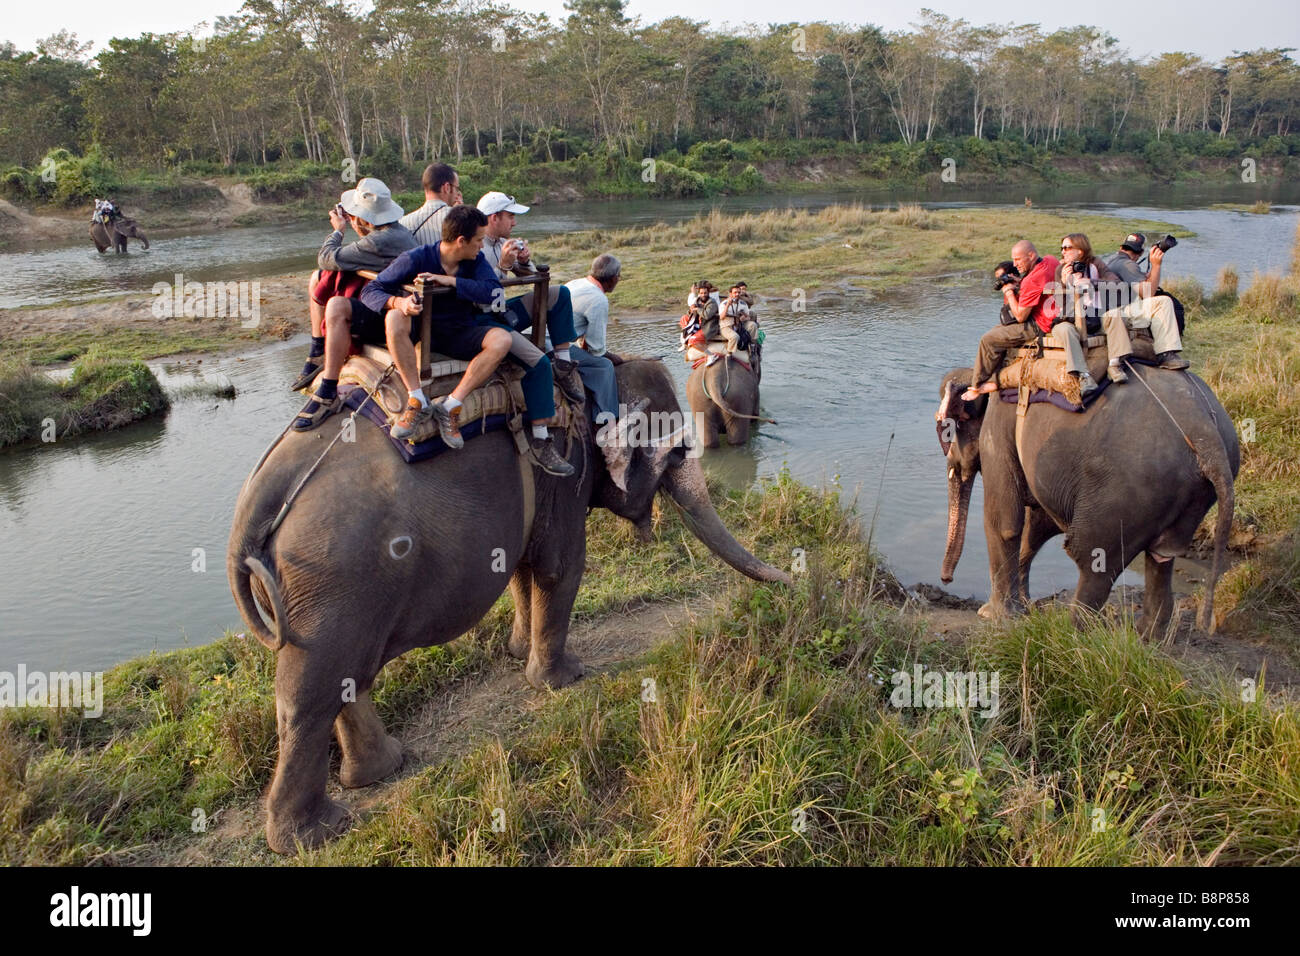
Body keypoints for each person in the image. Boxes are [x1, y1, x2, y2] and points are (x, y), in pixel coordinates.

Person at [359, 205, 574, 476]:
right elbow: (372, 289)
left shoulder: (474, 261)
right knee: (393, 318)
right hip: (425, 334)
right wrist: (398, 302)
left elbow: (493, 291)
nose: (481, 245)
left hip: (462, 330)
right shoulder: (415, 258)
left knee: (500, 341)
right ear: (461, 241)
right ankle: (416, 399)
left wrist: (448, 281)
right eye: (478, 241)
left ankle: (451, 405)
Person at [293, 178, 418, 395]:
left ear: (365, 220)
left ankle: (327, 383)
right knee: (319, 278)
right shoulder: (399, 232)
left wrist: (339, 230)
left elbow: (326, 258)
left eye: (355, 216)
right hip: (397, 307)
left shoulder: (377, 242)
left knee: (335, 305)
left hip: (393, 316)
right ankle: (316, 349)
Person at [475, 190, 583, 403]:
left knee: (559, 293)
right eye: (510, 217)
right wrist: (504, 266)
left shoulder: (500, 243)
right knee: (538, 360)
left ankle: (563, 365)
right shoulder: (476, 247)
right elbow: (482, 295)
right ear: (494, 218)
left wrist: (524, 262)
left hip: (501, 310)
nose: (514, 223)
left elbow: (535, 278)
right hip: (484, 318)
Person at [964, 240, 1099, 401]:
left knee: (988, 339)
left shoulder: (1032, 279)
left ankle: (977, 385)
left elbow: (1021, 316)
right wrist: (1020, 284)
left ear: (1031, 255)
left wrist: (1008, 292)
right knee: (998, 330)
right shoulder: (1050, 260)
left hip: (1040, 324)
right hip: (1060, 312)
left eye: (1018, 260)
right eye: (1013, 260)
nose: (1015, 264)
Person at [1103, 233, 1189, 370]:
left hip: (1111, 311)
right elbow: (1148, 293)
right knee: (1163, 301)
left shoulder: (1113, 260)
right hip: (1119, 313)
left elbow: (1143, 283)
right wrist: (1156, 265)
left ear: (1121, 247)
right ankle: (1165, 353)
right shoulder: (1127, 264)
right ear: (1141, 252)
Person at [1055, 233, 1133, 384]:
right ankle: (1083, 375)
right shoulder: (1060, 269)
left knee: (1116, 314)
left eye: (1067, 247)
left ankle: (1115, 364)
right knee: (1064, 330)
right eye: (1062, 248)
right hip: (1070, 319)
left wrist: (1092, 282)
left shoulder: (1095, 264)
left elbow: (1118, 285)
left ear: (1080, 251)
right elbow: (1060, 305)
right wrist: (1064, 284)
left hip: (1095, 317)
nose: (1063, 251)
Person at [563, 254, 623, 420]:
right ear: (611, 279)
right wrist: (614, 358)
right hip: (553, 344)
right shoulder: (599, 299)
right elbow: (597, 350)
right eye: (618, 276)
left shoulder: (576, 283)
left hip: (541, 336)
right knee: (604, 367)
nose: (618, 280)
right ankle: (606, 420)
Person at [399, 163, 462, 246]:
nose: (457, 193)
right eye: (456, 188)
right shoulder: (461, 220)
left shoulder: (403, 223)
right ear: (447, 188)